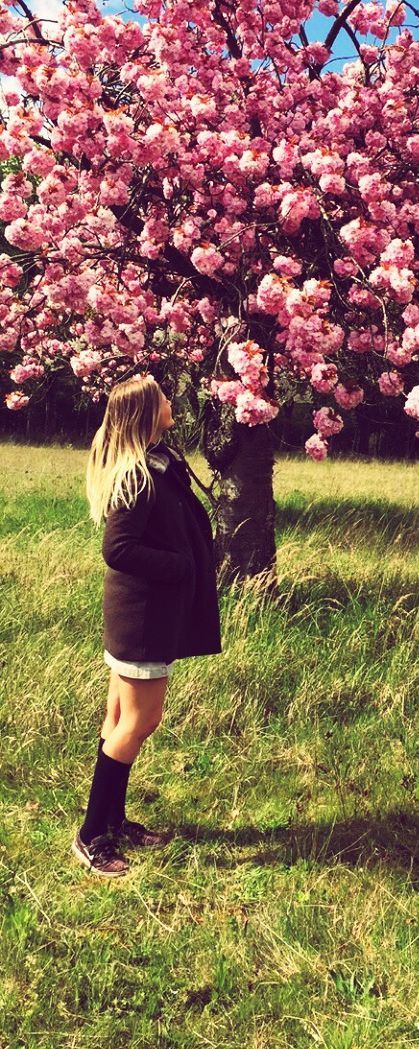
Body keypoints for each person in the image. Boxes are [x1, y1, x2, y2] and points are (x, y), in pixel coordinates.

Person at [72, 372, 222, 877]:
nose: (170, 401)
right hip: (142, 618)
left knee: (119, 720)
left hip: (139, 614)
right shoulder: (137, 476)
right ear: (146, 411)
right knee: (139, 722)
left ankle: (112, 820)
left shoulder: (154, 463)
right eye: (162, 397)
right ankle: (93, 835)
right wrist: (180, 566)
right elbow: (117, 549)